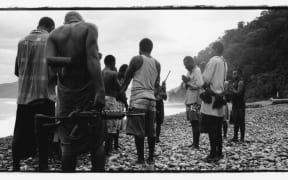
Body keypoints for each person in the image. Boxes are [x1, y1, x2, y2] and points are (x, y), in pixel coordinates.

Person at [45, 11, 105, 172]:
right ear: (80, 20)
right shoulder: (89, 27)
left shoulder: (54, 34)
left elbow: (49, 60)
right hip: (88, 89)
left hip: (66, 93)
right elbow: (92, 58)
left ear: (65, 22)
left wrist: (69, 61)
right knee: (96, 142)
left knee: (68, 143)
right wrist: (100, 91)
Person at [12, 17, 56, 171]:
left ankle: (15, 167)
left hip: (23, 97)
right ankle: (42, 167)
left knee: (19, 132)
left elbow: (17, 71)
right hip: (44, 96)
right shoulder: (51, 41)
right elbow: (54, 71)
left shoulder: (22, 41)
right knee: (44, 136)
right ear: (51, 27)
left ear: (38, 25)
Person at [121, 38, 160, 164]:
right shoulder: (157, 63)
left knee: (139, 131)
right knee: (151, 131)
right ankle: (151, 158)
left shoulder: (137, 59)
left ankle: (141, 159)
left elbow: (127, 79)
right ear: (151, 48)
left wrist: (121, 93)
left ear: (140, 47)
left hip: (138, 99)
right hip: (152, 101)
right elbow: (157, 85)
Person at [200, 41, 227, 162]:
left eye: (212, 49)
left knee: (212, 129)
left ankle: (212, 154)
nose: (211, 51)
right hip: (220, 98)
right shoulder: (224, 62)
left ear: (216, 49)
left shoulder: (213, 61)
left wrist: (203, 69)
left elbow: (205, 79)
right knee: (218, 127)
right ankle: (219, 152)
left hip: (211, 99)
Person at [102, 55, 123, 155]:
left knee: (103, 123)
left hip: (101, 99)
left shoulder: (100, 72)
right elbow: (120, 89)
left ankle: (101, 147)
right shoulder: (113, 73)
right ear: (112, 62)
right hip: (110, 99)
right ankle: (108, 149)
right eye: (114, 63)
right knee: (111, 125)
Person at [182, 56, 203, 149]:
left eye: (186, 65)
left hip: (195, 100)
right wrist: (185, 82)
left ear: (191, 63)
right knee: (192, 121)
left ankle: (196, 144)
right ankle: (194, 142)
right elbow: (186, 85)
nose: (185, 67)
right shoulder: (189, 72)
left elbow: (199, 84)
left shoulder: (197, 71)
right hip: (189, 100)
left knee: (195, 121)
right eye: (185, 65)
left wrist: (188, 82)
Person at [230, 69, 246, 142]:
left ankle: (242, 138)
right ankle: (235, 137)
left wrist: (232, 89)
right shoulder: (234, 82)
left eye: (235, 74)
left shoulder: (240, 82)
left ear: (238, 74)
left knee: (241, 121)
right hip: (235, 104)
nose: (234, 75)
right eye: (233, 74)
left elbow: (238, 93)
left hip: (240, 104)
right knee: (235, 121)